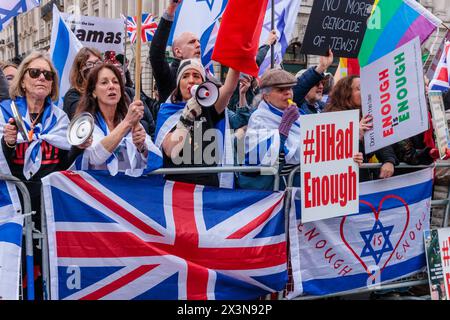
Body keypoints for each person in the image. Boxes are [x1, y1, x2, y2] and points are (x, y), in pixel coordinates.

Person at [0, 51, 90, 299]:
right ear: (23, 80)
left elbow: (64, 164)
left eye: (47, 75)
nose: (41, 78)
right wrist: (7, 143)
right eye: (35, 72)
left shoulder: (59, 118)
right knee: (14, 270)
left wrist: (78, 148)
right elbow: (2, 165)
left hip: (46, 207)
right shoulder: (5, 113)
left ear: (52, 84)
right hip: (13, 206)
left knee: (44, 268)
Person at [238, 68, 363, 190]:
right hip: (276, 191)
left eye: (290, 88)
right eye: (281, 90)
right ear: (266, 96)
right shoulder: (259, 118)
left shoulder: (298, 114)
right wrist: (284, 127)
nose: (288, 93)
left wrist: (347, 156)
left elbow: (319, 144)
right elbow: (267, 158)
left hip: (303, 188)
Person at [155, 58, 239, 188]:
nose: (191, 80)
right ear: (178, 83)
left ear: (203, 82)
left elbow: (228, 88)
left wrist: (238, 56)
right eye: (185, 76)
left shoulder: (211, 107)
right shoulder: (167, 112)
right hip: (177, 187)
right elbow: (171, 150)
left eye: (196, 76)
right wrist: (186, 119)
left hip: (208, 187)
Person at [75, 63, 162, 176]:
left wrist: (142, 147)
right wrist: (127, 122)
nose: (112, 86)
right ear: (94, 92)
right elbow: (95, 158)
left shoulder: (132, 122)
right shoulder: (87, 124)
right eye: (104, 82)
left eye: (115, 82)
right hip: (98, 189)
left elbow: (155, 158)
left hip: (126, 188)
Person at [325, 75, 398, 181]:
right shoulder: (332, 117)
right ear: (346, 93)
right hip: (343, 181)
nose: (365, 92)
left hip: (364, 180)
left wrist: (389, 161)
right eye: (359, 89)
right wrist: (356, 134)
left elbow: (380, 141)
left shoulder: (367, 114)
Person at [64, 47, 102, 119]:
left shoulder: (105, 91)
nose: (95, 67)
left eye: (98, 63)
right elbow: (84, 118)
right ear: (80, 69)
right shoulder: (72, 95)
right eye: (89, 64)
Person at [293, 49, 334, 115]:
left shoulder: (326, 107)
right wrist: (321, 67)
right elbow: (299, 87)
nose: (321, 87)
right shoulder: (295, 108)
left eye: (323, 83)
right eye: (317, 84)